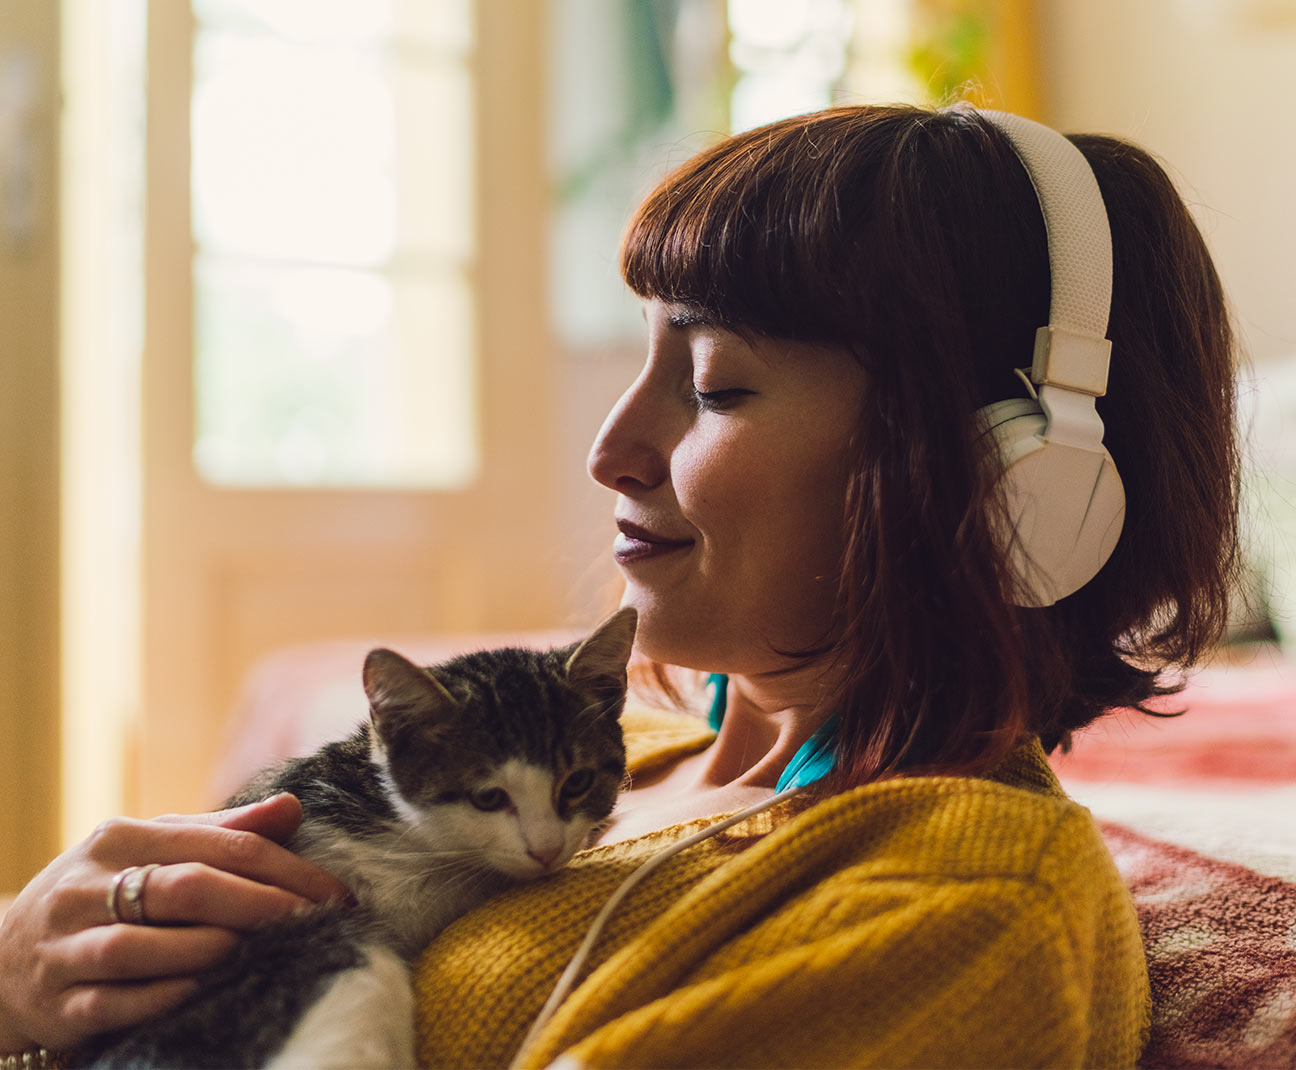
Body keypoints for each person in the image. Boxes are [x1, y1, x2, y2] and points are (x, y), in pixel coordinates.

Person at [0, 102, 1238, 1068]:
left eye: (713, 386)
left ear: (999, 480)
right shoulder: (627, 745)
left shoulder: (961, 906)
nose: (608, 450)